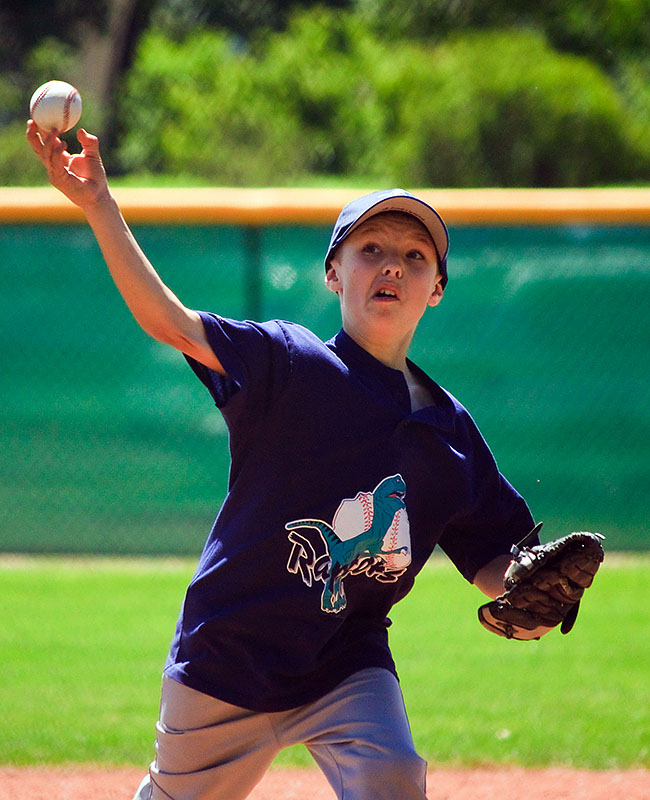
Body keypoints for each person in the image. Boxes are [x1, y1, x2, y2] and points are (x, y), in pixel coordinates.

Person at [27, 123, 550, 800]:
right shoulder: (291, 363)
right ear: (334, 273)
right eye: (371, 249)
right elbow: (172, 322)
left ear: (437, 289)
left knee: (393, 775)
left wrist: (530, 592)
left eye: (416, 256)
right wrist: (99, 203)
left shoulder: (447, 432)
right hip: (226, 655)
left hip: (346, 660)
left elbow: (494, 560)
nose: (393, 264)